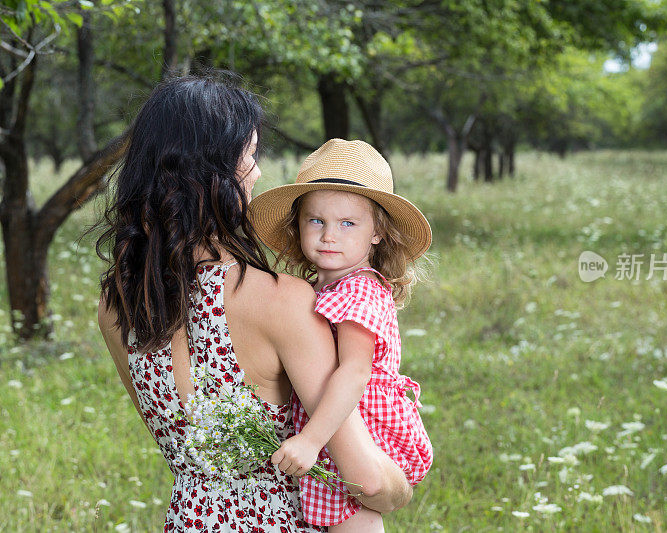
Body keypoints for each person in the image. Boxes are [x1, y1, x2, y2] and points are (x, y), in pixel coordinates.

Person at [96, 75, 411, 532]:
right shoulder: (283, 302)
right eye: (250, 155)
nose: (257, 172)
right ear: (216, 173)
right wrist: (401, 483)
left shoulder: (118, 306)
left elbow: (188, 453)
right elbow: (365, 479)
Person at [248, 139, 434, 532]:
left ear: (377, 233)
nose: (329, 235)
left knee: (355, 519)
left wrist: (311, 440)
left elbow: (354, 372)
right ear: (297, 226)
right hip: (336, 427)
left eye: (347, 223)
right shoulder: (325, 287)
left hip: (363, 430)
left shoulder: (360, 291)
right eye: (316, 221)